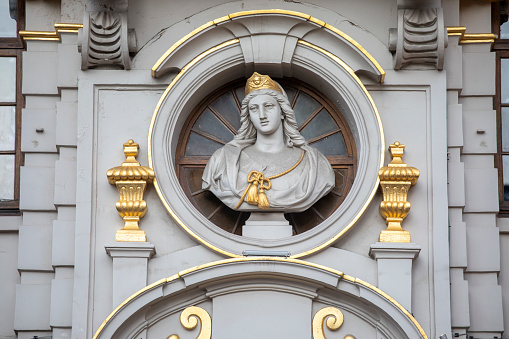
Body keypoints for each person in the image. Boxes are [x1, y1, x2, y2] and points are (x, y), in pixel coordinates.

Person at [202, 72, 335, 213]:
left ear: (283, 112)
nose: (262, 115)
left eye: (268, 106)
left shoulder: (314, 164)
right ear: (249, 117)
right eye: (254, 109)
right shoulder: (223, 161)